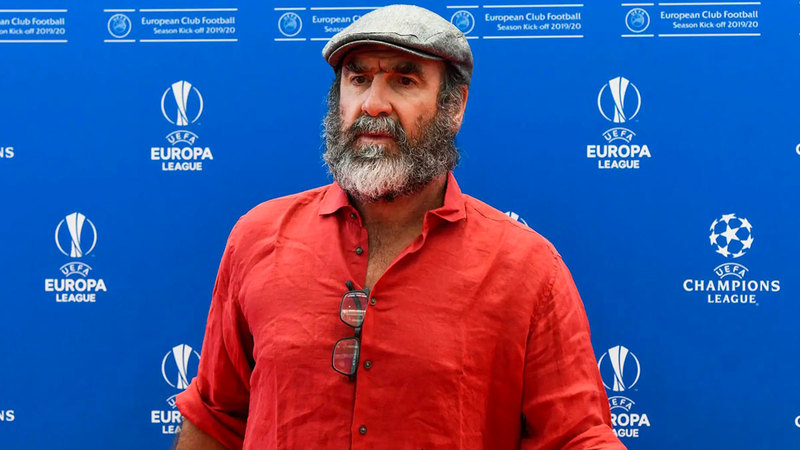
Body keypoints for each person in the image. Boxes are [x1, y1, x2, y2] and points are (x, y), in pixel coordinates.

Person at [175, 5, 624, 449]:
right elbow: (216, 418)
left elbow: (575, 437)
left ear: (454, 107)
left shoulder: (527, 268)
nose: (373, 104)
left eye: (404, 81)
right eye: (358, 79)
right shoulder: (258, 237)